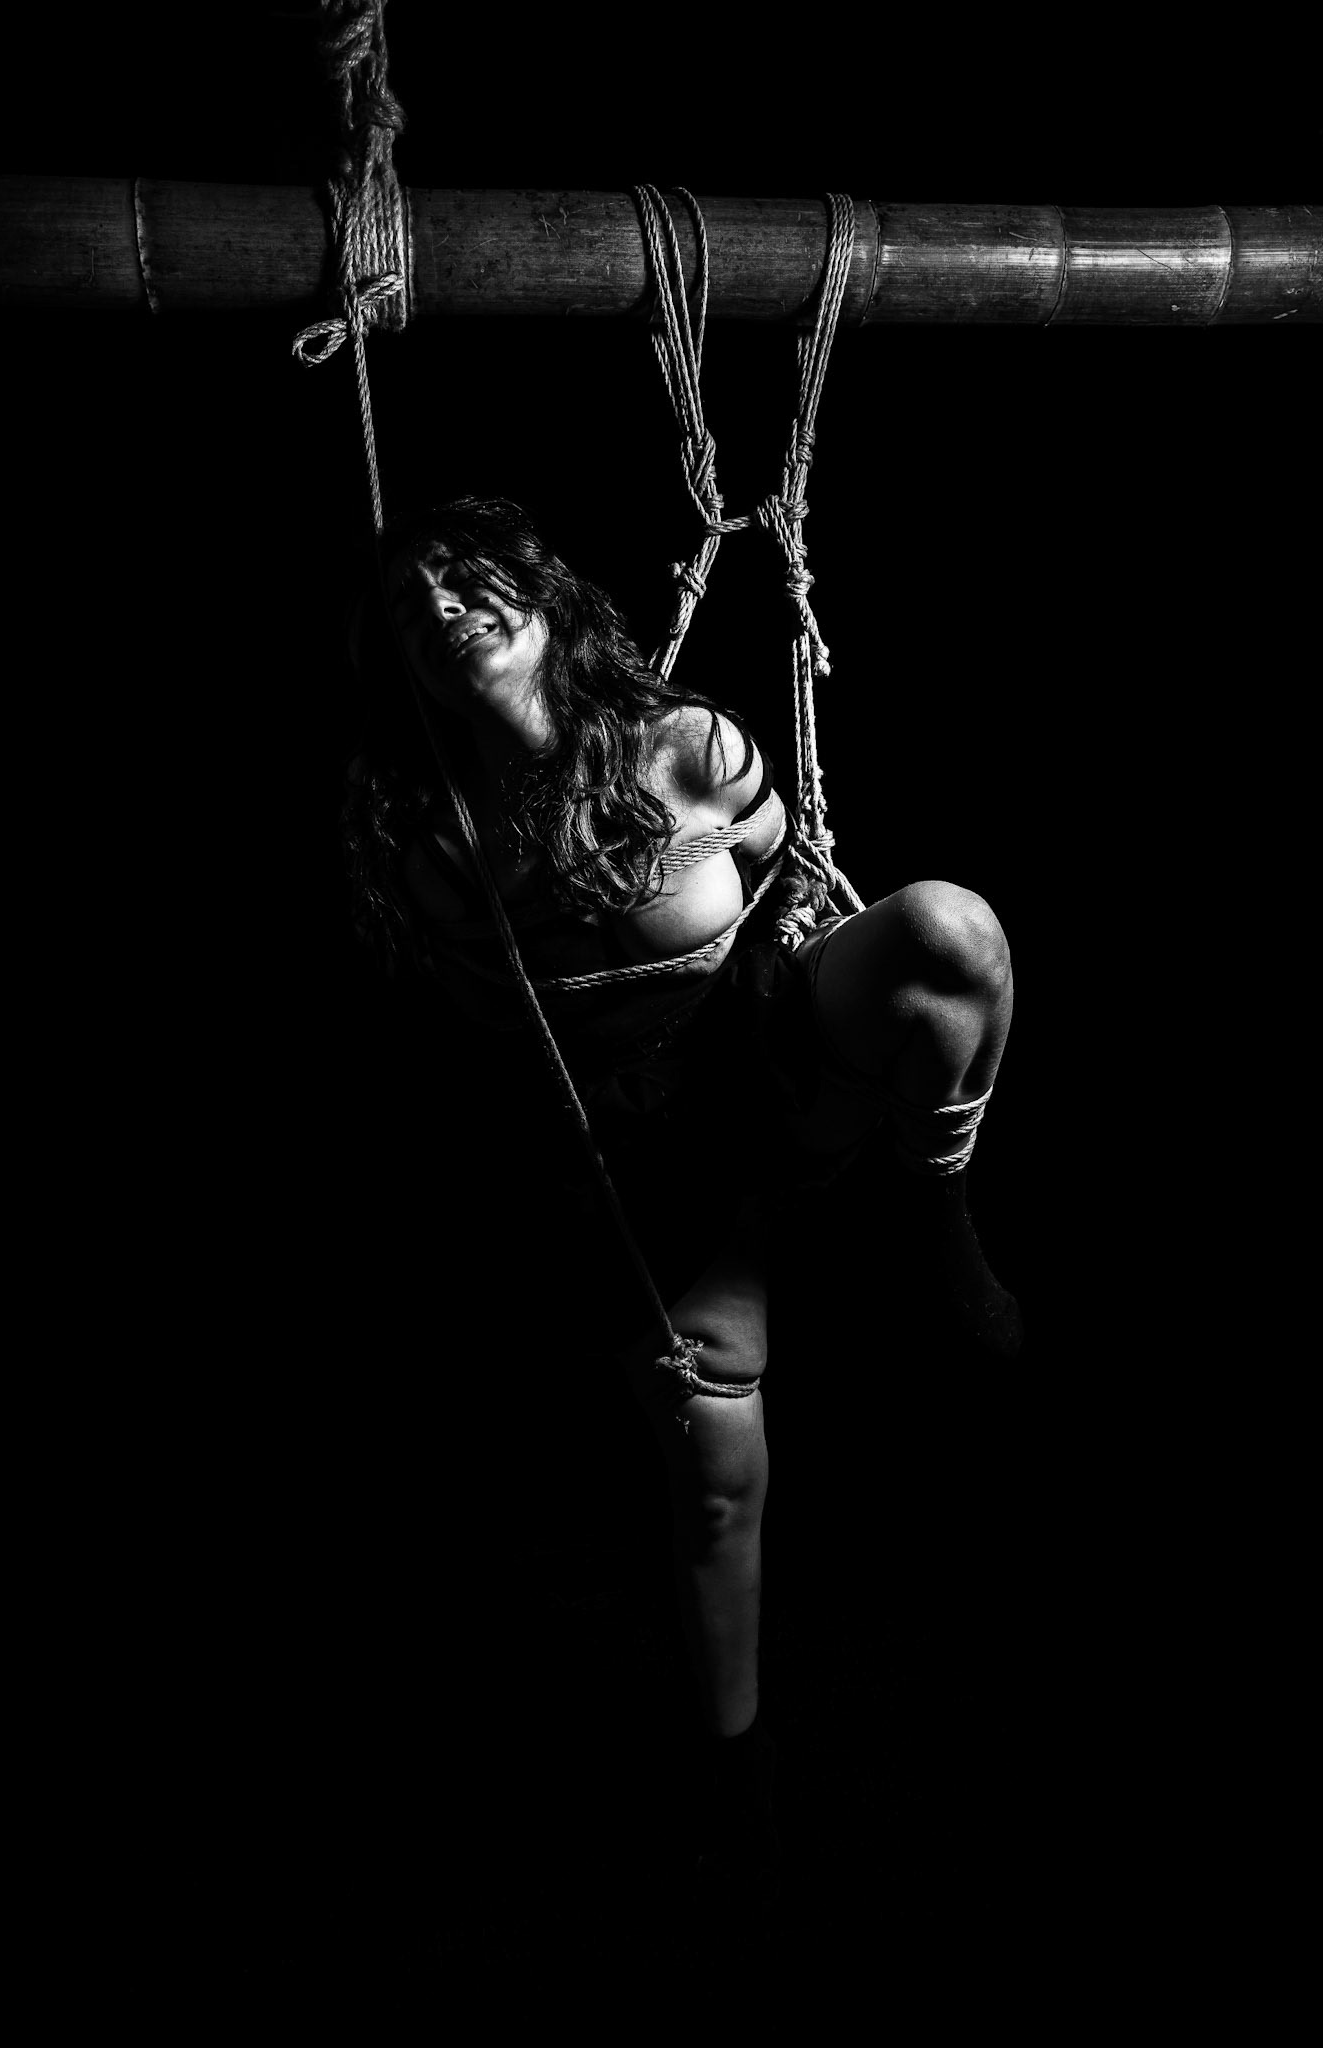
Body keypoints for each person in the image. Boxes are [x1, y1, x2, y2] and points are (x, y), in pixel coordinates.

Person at [340, 494, 1022, 1907]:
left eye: (471, 576)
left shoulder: (690, 748)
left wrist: (809, 973)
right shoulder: (437, 855)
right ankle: (740, 1778)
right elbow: (492, 1059)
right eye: (413, 604)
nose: (445, 604)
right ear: (402, 665)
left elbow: (788, 883)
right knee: (713, 1483)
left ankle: (935, 1220)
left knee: (946, 930)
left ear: (544, 599)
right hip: (643, 1166)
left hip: (769, 1059)